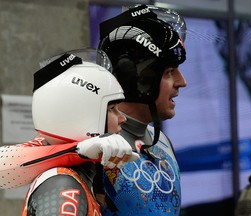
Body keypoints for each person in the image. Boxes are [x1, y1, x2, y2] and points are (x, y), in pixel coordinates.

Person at [1, 4, 187, 215]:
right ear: (137, 78)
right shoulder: (92, 136)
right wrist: (76, 151)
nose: (182, 82)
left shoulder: (160, 140)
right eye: (170, 72)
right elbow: (2, 165)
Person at [21, 49, 139, 215]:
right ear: (80, 115)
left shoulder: (75, 178)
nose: (123, 118)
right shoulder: (63, 186)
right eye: (112, 109)